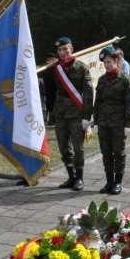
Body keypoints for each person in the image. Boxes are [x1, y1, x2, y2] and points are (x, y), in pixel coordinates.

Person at [51, 36, 93, 191]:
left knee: (78, 148)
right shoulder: (55, 68)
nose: (63, 53)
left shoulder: (81, 67)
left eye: (65, 49)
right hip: (60, 113)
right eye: (60, 50)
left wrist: (87, 117)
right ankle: (71, 176)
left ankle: (79, 178)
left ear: (71, 49)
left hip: (76, 113)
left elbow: (88, 93)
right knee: (63, 146)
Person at [94, 46, 130, 195]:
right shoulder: (102, 80)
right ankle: (109, 182)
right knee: (106, 154)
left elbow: (129, 102)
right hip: (104, 123)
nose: (107, 65)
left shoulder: (125, 80)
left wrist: (128, 123)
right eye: (105, 63)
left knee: (119, 153)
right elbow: (98, 102)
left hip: (118, 123)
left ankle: (118, 182)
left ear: (117, 61)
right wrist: (96, 121)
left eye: (109, 62)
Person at [41, 51, 58, 125]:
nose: (49, 61)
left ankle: (54, 119)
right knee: (49, 105)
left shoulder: (58, 68)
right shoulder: (45, 68)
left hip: (56, 90)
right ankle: (51, 119)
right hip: (48, 90)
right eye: (48, 59)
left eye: (51, 59)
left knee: (55, 105)